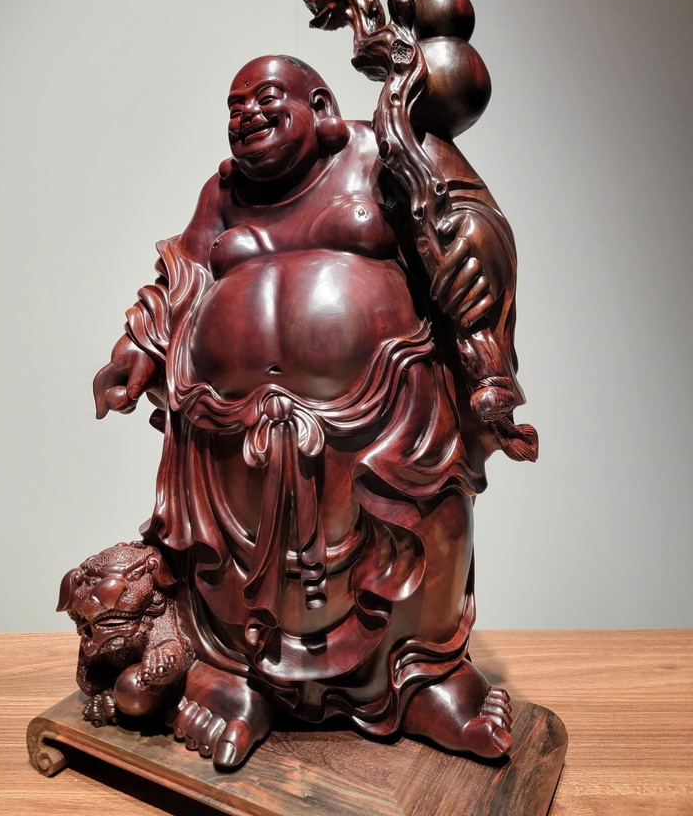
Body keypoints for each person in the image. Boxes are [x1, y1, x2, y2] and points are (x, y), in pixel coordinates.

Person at [93, 54, 523, 768]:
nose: (245, 116)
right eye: (233, 107)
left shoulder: (383, 153)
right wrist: (138, 346)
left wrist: (477, 251)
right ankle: (239, 679)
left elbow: (464, 223)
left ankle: (426, 680)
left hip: (385, 406)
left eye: (264, 98)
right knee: (228, 560)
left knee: (419, 529)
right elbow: (184, 273)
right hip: (232, 424)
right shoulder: (223, 192)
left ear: (321, 108)